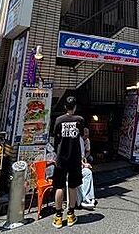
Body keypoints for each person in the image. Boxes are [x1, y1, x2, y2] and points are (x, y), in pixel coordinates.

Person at [52, 96, 84, 229]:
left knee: (59, 186)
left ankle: (58, 217)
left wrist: (56, 152)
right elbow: (80, 135)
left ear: (65, 107)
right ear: (75, 107)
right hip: (75, 157)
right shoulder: (79, 120)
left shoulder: (59, 120)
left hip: (61, 157)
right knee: (72, 185)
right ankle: (71, 214)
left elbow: (55, 138)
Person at [76, 133, 97, 209]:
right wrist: (83, 164)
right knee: (83, 173)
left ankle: (89, 197)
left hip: (79, 165)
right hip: (72, 168)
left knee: (88, 172)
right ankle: (84, 199)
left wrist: (84, 162)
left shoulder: (83, 140)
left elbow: (85, 153)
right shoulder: (75, 140)